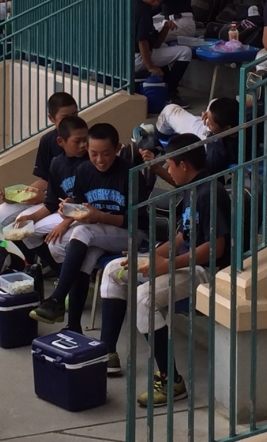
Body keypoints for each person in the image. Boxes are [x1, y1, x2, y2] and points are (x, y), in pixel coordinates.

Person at [99, 134, 231, 406]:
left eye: (169, 165)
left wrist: (167, 265)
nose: (168, 172)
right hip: (182, 262)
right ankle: (106, 353)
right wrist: (150, 257)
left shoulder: (210, 191)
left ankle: (171, 381)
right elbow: (182, 237)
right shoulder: (191, 188)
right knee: (113, 270)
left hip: (206, 271)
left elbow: (216, 248)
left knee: (144, 298)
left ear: (183, 165)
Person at [30, 123, 147, 333]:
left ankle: (57, 299)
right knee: (83, 260)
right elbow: (81, 206)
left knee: (82, 231)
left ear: (117, 148)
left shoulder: (131, 173)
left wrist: (100, 216)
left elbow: (138, 221)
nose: (100, 159)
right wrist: (68, 210)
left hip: (130, 234)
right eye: (94, 154)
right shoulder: (84, 170)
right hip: (99, 232)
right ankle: (73, 326)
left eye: (106, 153)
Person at [0, 92, 78, 230]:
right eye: (65, 117)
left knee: (27, 224)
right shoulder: (48, 141)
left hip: (66, 202)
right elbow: (45, 179)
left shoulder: (85, 144)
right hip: (51, 197)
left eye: (75, 115)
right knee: (0, 214)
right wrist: (19, 195)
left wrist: (45, 197)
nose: (71, 121)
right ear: (52, 118)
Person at [10, 115, 90, 263]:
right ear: (61, 141)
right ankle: (51, 267)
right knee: (23, 229)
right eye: (77, 141)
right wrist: (31, 218)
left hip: (85, 215)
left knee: (52, 240)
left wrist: (64, 224)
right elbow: (51, 202)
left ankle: (63, 272)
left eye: (85, 140)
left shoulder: (90, 163)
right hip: (66, 211)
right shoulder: (57, 163)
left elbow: (89, 204)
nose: (83, 145)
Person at [135, 0, 192, 103]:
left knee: (164, 47)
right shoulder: (143, 11)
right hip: (137, 58)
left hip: (129, 57)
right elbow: (142, 41)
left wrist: (165, 28)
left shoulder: (140, 5)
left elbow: (155, 44)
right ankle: (170, 92)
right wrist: (150, 67)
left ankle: (165, 84)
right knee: (186, 52)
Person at [156, 96, 241, 175]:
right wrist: (211, 114)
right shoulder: (242, 119)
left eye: (210, 123)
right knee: (214, 101)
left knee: (169, 110)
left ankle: (155, 141)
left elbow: (205, 174)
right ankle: (212, 118)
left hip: (204, 138)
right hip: (216, 131)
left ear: (227, 128)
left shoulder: (218, 150)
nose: (207, 122)